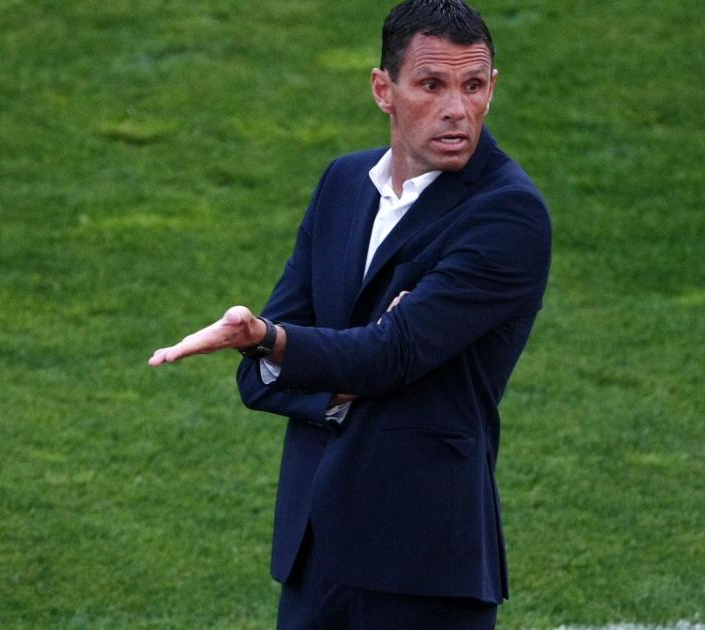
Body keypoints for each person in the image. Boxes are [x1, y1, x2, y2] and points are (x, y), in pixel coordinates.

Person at [148, 1, 551, 627]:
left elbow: (389, 354)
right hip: (314, 554)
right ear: (383, 90)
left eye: (473, 86)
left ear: (492, 88)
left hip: (422, 565)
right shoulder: (342, 184)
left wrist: (272, 340)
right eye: (432, 85)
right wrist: (327, 363)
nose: (457, 108)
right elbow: (261, 380)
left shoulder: (508, 214)